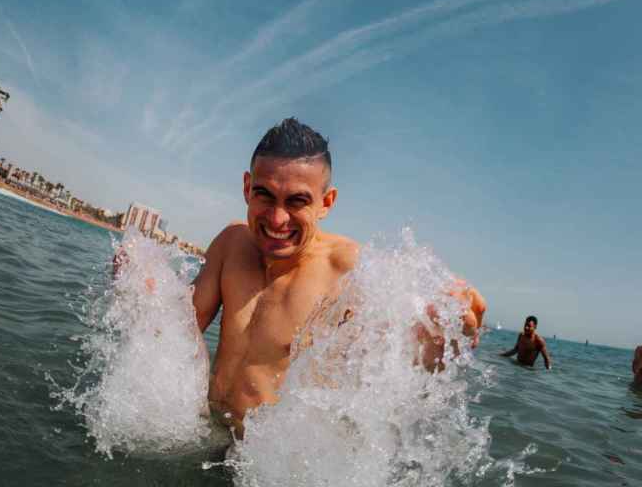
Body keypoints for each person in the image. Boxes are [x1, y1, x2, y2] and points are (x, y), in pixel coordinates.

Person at [123, 117, 486, 439]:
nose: (277, 219)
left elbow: (396, 367)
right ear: (247, 187)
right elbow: (181, 329)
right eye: (265, 195)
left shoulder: (350, 269)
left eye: (297, 201)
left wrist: (443, 335)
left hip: (266, 464)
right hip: (206, 433)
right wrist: (146, 291)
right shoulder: (231, 243)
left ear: (326, 203)